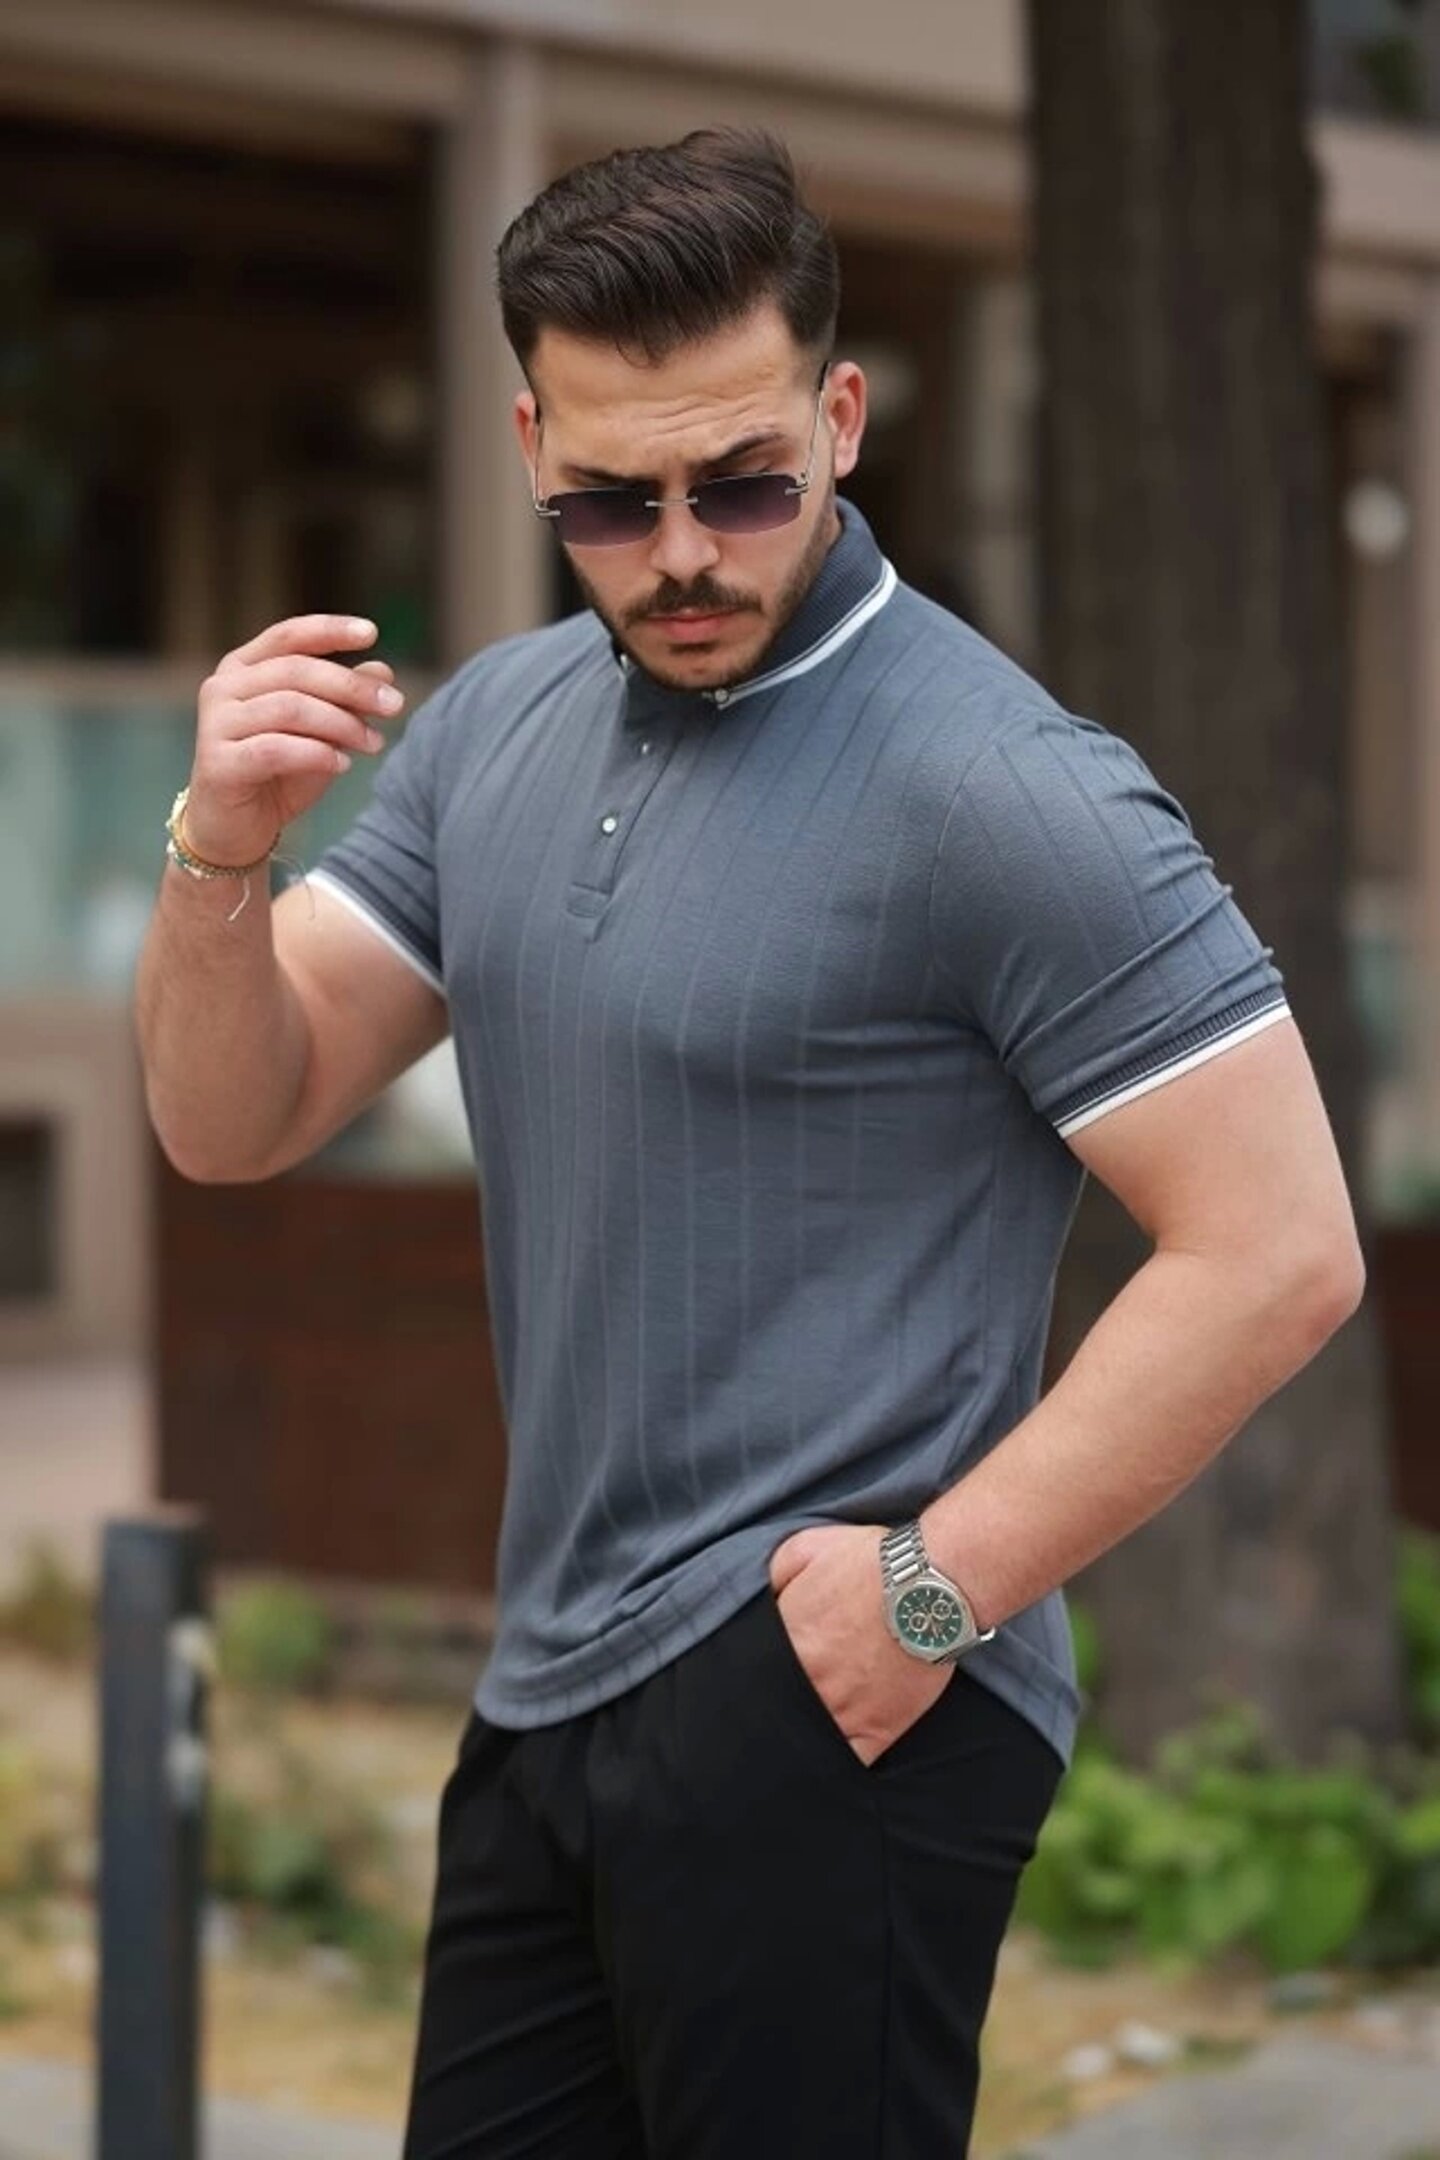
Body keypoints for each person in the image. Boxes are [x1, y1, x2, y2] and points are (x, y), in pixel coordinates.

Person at [135, 129, 1364, 2159]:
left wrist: (932, 1596)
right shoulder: (495, 729)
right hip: (545, 1692)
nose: (682, 553)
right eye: (612, 501)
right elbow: (229, 1117)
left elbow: (1282, 1246)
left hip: (836, 1706)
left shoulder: (1009, 788)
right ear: (532, 445)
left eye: (745, 482)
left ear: (841, 419)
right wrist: (221, 857)